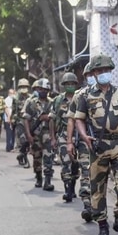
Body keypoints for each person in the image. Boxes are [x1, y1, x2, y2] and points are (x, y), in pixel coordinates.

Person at [75, 54, 118, 235]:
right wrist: (83, 136)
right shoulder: (86, 95)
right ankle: (102, 224)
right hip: (98, 147)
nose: (104, 73)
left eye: (107, 70)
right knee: (98, 188)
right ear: (94, 73)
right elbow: (79, 118)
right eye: (100, 70)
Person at [66, 63, 96, 222]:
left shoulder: (113, 92)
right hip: (85, 141)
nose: (93, 76)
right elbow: (71, 120)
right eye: (90, 74)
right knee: (86, 171)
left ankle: (98, 205)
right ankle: (87, 205)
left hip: (105, 143)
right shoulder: (80, 95)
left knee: (99, 177)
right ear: (86, 77)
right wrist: (69, 141)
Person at [50, 72, 80, 203]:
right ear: (63, 85)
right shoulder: (58, 100)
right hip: (63, 135)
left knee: (76, 164)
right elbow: (52, 119)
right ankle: (67, 190)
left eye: (72, 84)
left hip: (79, 136)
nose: (70, 86)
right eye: (67, 84)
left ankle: (72, 188)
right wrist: (52, 138)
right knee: (66, 163)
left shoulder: (81, 98)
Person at [23, 78, 55, 191]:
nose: (43, 91)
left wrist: (53, 137)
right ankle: (38, 178)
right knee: (37, 158)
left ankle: (48, 181)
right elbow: (26, 119)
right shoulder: (31, 103)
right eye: (40, 89)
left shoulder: (52, 103)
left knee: (48, 157)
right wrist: (28, 136)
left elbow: (52, 119)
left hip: (47, 134)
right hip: (35, 135)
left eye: (45, 89)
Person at [13, 78, 32, 168]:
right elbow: (14, 111)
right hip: (20, 122)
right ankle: (24, 159)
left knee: (28, 141)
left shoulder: (31, 98)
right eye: (22, 86)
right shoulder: (16, 99)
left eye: (25, 86)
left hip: (29, 123)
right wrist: (13, 121)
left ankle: (21, 155)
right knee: (23, 141)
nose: (23, 88)